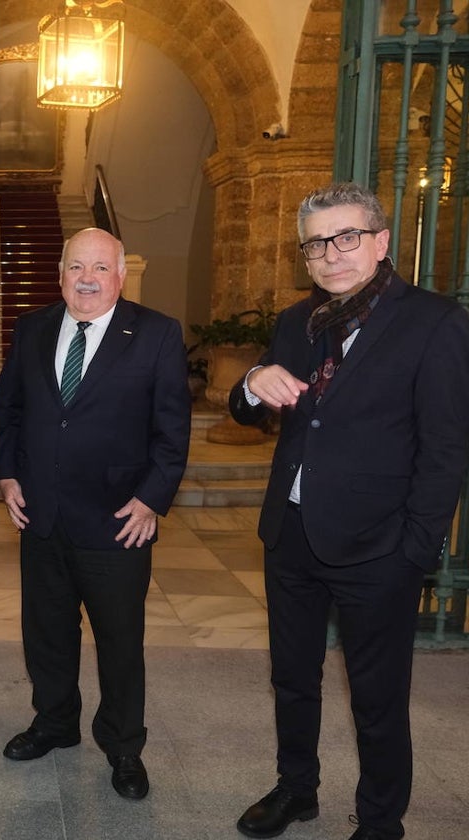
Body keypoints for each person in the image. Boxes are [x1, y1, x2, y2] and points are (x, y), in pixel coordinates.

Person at [229, 182, 469, 840]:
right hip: (293, 535)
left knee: (377, 698)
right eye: (316, 243)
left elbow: (446, 450)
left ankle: (380, 822)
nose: (331, 254)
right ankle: (296, 789)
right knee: (292, 678)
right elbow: (245, 407)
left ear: (380, 241)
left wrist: (413, 552)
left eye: (347, 238)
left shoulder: (434, 322)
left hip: (379, 548)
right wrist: (251, 383)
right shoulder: (296, 323)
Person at [0, 227, 191, 800]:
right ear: (60, 273)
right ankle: (55, 723)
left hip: (117, 521)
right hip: (42, 518)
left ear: (120, 276)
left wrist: (153, 498)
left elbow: (172, 431)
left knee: (120, 642)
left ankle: (124, 746)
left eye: (100, 268)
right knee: (46, 634)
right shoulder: (32, 329)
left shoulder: (155, 334)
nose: (87, 278)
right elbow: (6, 412)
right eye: (76, 266)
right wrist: (6, 475)